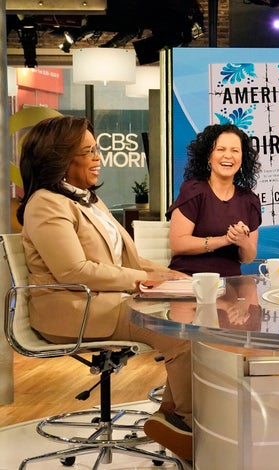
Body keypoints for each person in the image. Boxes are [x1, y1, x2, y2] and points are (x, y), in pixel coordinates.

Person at [16, 116, 194, 461]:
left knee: (190, 317)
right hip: (73, 310)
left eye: (97, 149)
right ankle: (186, 425)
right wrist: (141, 282)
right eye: (89, 151)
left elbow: (131, 259)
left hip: (106, 302)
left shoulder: (89, 201)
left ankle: (171, 416)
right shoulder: (46, 203)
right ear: (60, 158)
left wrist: (175, 278)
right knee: (182, 335)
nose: (99, 158)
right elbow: (74, 270)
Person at [167, 123, 262, 277]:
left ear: (242, 158)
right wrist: (224, 240)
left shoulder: (249, 200)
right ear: (208, 157)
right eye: (220, 149)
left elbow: (248, 258)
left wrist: (242, 241)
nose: (228, 156)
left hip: (230, 283)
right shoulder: (194, 191)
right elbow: (178, 243)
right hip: (188, 280)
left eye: (235, 151)